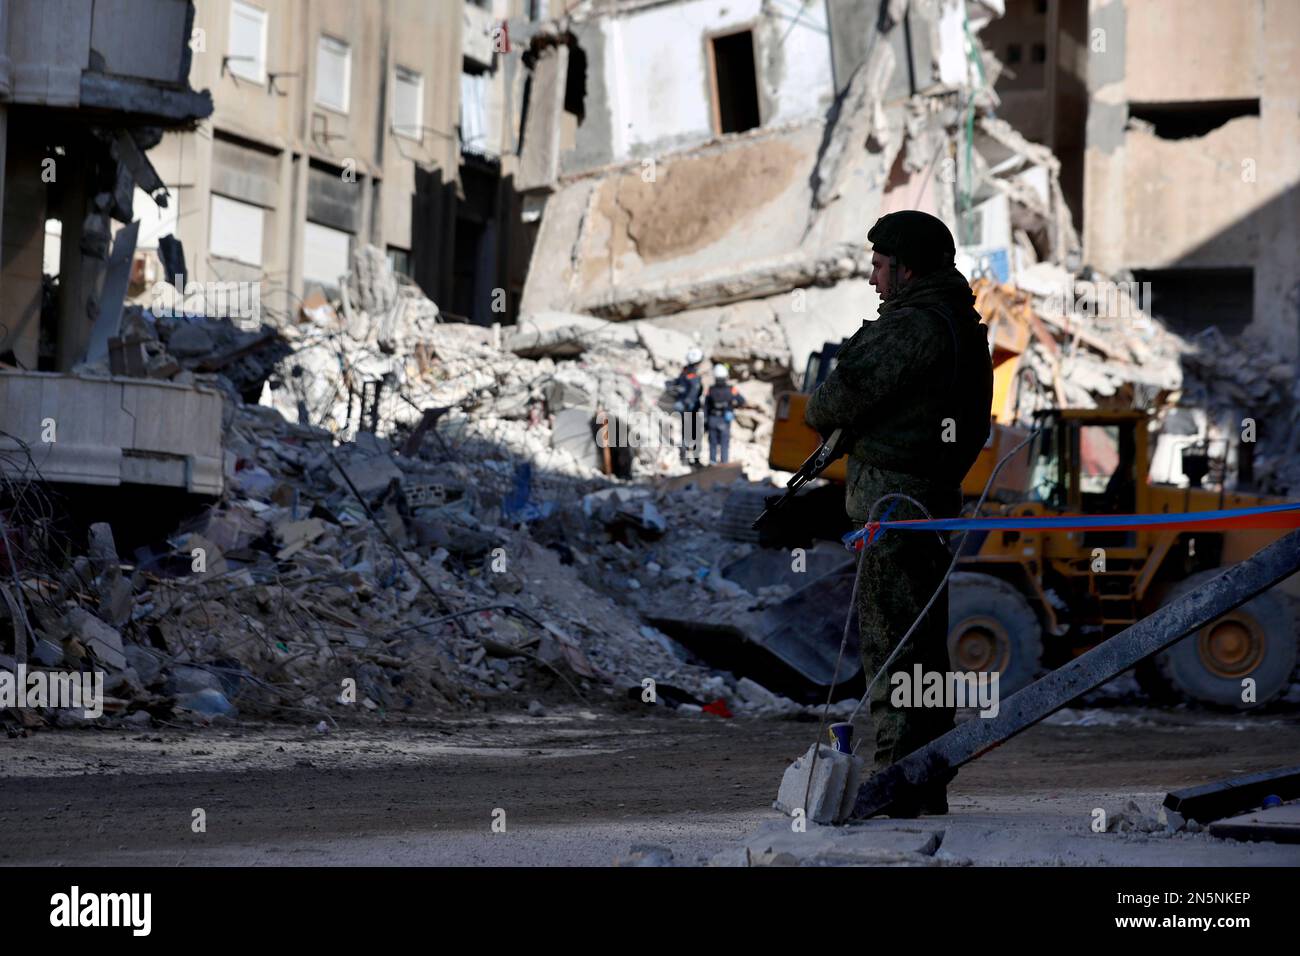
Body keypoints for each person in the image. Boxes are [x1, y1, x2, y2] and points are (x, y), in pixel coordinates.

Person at [804, 210, 993, 817]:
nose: (872, 278)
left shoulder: (913, 325)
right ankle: (921, 779)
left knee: (893, 649)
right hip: (929, 501)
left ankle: (895, 784)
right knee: (922, 648)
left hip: (895, 504)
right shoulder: (959, 320)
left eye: (881, 265)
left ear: (908, 268)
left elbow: (826, 404)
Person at [671, 346, 705, 464]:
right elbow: (694, 391)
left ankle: (685, 457)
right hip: (690, 408)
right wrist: (688, 403)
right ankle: (694, 459)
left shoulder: (684, 372)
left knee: (686, 432)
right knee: (694, 433)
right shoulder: (692, 376)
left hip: (683, 406)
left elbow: (675, 385)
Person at [704, 364, 742, 464]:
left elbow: (706, 406)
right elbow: (742, 401)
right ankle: (724, 466)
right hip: (725, 420)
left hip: (712, 419)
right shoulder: (731, 389)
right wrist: (733, 406)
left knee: (713, 444)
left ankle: (712, 465)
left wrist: (705, 420)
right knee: (724, 444)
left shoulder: (710, 390)